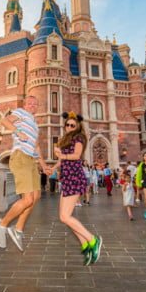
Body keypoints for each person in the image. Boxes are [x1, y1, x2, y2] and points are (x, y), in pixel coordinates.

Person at [0, 96, 49, 252]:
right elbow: (4, 121)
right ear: (25, 105)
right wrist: (17, 131)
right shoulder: (21, 113)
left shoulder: (35, 125)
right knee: (27, 199)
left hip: (31, 161)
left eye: (35, 104)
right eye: (30, 103)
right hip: (20, 157)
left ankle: (18, 229)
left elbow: (36, 146)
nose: (32, 105)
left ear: (37, 107)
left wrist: (43, 165)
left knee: (35, 197)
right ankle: (1, 225)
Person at [52, 112, 102, 265]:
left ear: (78, 126)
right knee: (64, 217)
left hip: (74, 177)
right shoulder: (66, 139)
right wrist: (52, 167)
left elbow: (76, 155)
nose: (69, 127)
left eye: (72, 125)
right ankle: (85, 245)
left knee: (65, 217)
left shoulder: (79, 138)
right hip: (67, 177)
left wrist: (62, 154)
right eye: (67, 124)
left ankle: (93, 240)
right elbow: (62, 160)